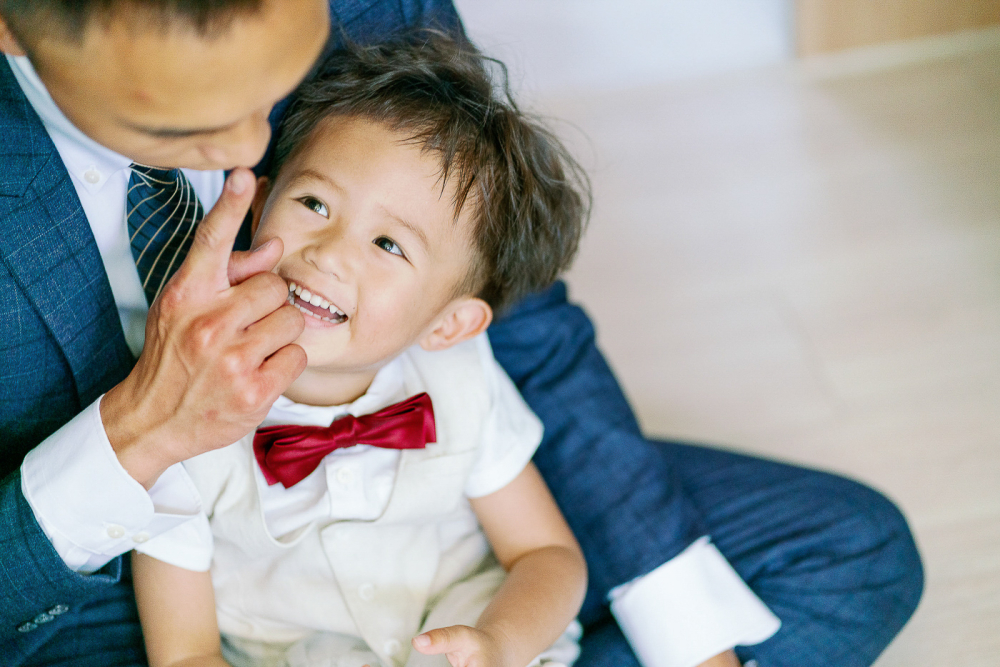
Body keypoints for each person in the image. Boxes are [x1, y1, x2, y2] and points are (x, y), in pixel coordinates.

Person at [0, 1, 922, 666]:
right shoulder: (200, 464)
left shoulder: (457, 376)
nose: (255, 149)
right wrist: (139, 435)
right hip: (75, 591)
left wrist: (523, 643)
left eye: (272, 96)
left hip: (463, 599)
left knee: (849, 552)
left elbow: (542, 540)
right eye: (185, 117)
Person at [131, 36, 589, 667]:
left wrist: (497, 643)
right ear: (259, 209)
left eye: (388, 244)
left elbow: (547, 557)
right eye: (314, 204)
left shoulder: (460, 380)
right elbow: (184, 654)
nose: (329, 252)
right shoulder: (183, 410)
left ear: (451, 323)